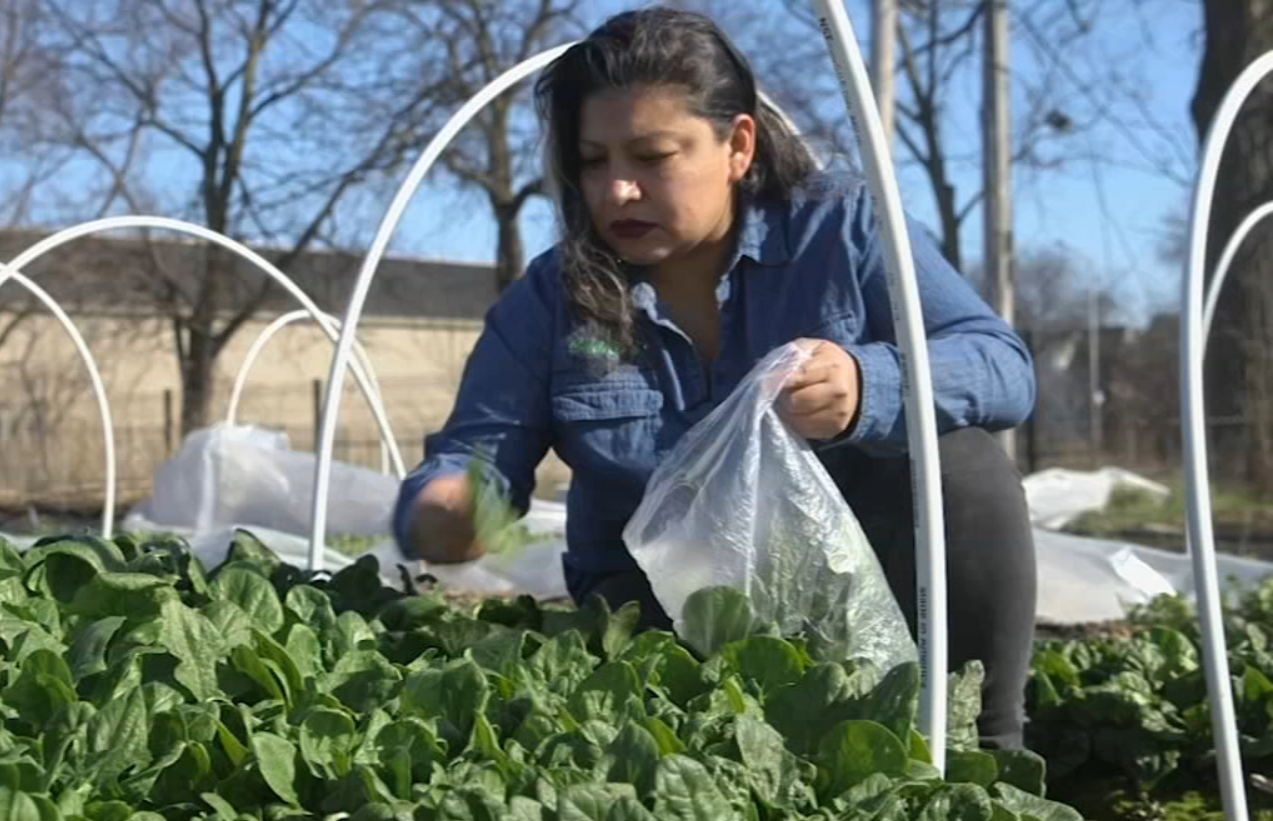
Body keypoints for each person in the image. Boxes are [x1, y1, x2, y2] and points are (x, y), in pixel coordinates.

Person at [390, 7, 1037, 751]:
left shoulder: (843, 229)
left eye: (652, 156)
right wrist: (449, 509)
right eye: (594, 161)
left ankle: (987, 759)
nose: (618, 191)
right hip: (660, 609)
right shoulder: (553, 299)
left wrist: (870, 384)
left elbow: (1001, 364)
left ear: (738, 145)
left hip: (851, 583)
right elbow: (475, 458)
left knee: (965, 464)